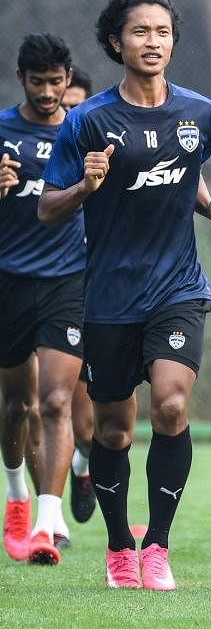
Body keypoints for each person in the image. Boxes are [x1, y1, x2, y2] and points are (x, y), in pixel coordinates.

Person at [38, 0, 211, 590]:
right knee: (112, 430)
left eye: (162, 32)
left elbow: (190, 177)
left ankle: (157, 545)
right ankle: (120, 545)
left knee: (173, 405)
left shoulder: (201, 113)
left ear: (174, 41)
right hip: (108, 296)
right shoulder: (88, 120)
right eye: (140, 32)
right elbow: (48, 207)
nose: (153, 42)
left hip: (177, 286)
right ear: (115, 42)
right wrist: (84, 188)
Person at [0, 33, 86, 564]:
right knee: (18, 406)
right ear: (21, 81)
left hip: (67, 280)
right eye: (39, 83)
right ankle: (15, 497)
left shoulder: (84, 132)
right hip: (9, 279)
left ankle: (48, 525)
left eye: (57, 82)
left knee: (56, 402)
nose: (50, 92)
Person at [60, 65, 98, 526]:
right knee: (39, 403)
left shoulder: (111, 153)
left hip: (98, 293)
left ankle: (82, 465)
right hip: (43, 292)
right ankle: (47, 520)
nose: (67, 114)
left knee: (87, 427)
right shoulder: (25, 154)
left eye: (77, 108)